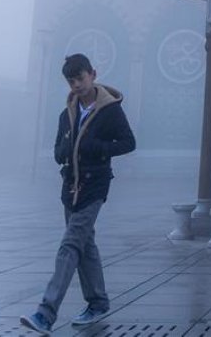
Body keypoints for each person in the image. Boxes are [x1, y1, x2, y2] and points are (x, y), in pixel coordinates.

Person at [21, 53, 135, 334]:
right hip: (69, 186)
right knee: (85, 245)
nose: (76, 85)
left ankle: (45, 314)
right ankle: (97, 302)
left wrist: (97, 146)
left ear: (93, 74)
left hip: (94, 185)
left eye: (80, 78)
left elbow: (128, 142)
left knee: (70, 245)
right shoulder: (67, 112)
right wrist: (62, 152)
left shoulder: (110, 110)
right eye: (71, 81)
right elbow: (59, 147)